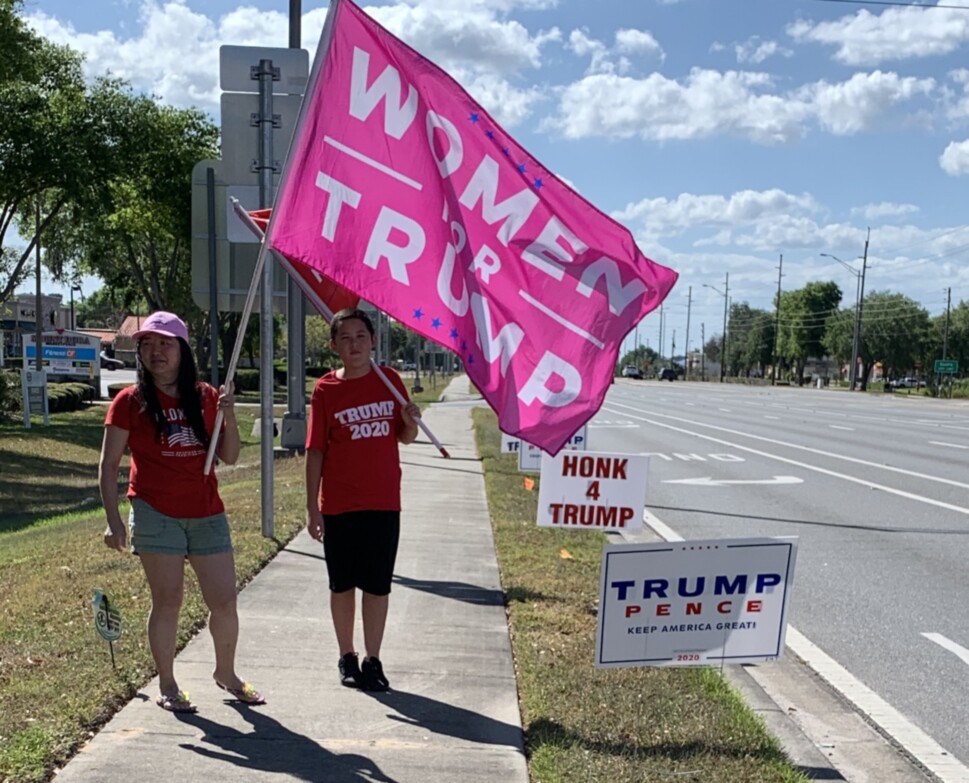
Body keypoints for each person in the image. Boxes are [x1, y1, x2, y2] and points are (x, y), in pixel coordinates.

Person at [98, 311, 264, 713]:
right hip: (155, 510)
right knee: (168, 599)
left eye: (165, 343)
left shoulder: (207, 397)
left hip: (206, 511)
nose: (156, 352)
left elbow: (228, 456)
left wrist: (228, 415)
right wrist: (113, 519)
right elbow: (108, 465)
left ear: (183, 350)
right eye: (148, 345)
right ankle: (168, 683)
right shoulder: (129, 402)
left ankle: (226, 672)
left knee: (224, 600)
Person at [305, 308, 421, 691]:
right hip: (339, 504)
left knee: (377, 585)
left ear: (373, 340)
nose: (353, 344)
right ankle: (347, 655)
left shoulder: (388, 381)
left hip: (383, 501)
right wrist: (312, 507)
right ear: (334, 345)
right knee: (342, 586)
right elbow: (316, 451)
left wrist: (410, 420)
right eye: (345, 337)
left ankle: (373, 659)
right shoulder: (325, 390)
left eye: (361, 336)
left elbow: (404, 438)